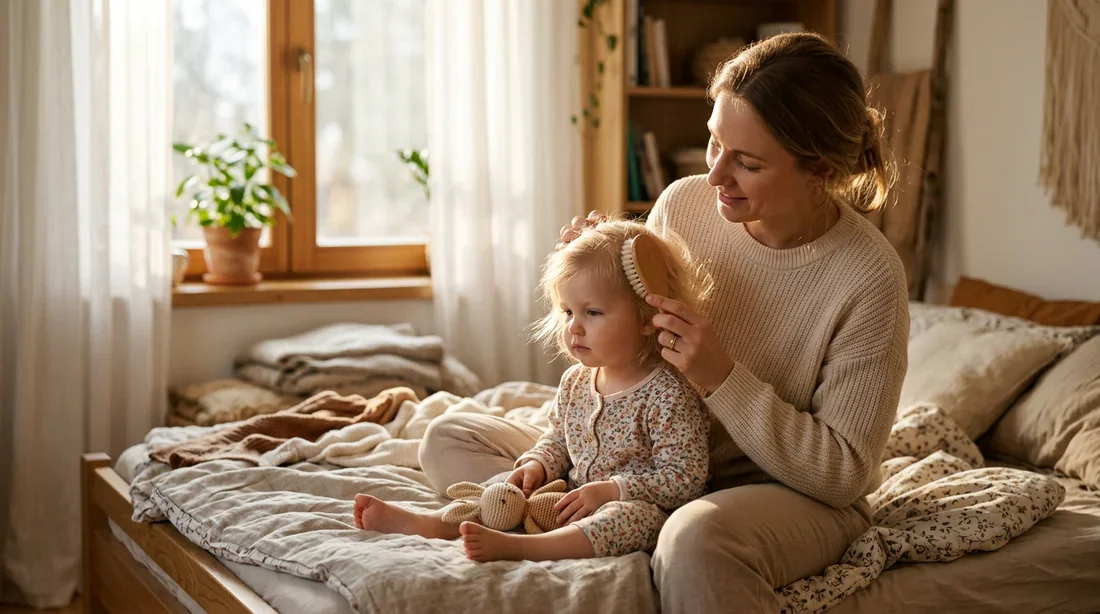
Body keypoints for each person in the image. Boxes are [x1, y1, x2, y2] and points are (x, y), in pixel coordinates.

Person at [418, 32, 909, 612]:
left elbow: (843, 475)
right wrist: (597, 271)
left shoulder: (869, 278)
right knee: (448, 437)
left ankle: (621, 528)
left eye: (748, 162)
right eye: (714, 142)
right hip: (649, 458)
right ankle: (600, 522)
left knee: (695, 537)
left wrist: (721, 377)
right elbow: (636, 339)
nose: (716, 175)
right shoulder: (684, 204)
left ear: (819, 170)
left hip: (776, 491)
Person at [355, 221, 712, 563]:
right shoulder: (576, 382)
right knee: (506, 490)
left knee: (628, 518)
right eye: (567, 312)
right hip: (569, 495)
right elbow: (558, 439)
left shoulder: (667, 395)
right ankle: (434, 524)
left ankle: (530, 547)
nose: (574, 327)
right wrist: (537, 464)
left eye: (592, 312)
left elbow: (685, 479)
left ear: (647, 318)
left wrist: (613, 490)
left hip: (637, 507)